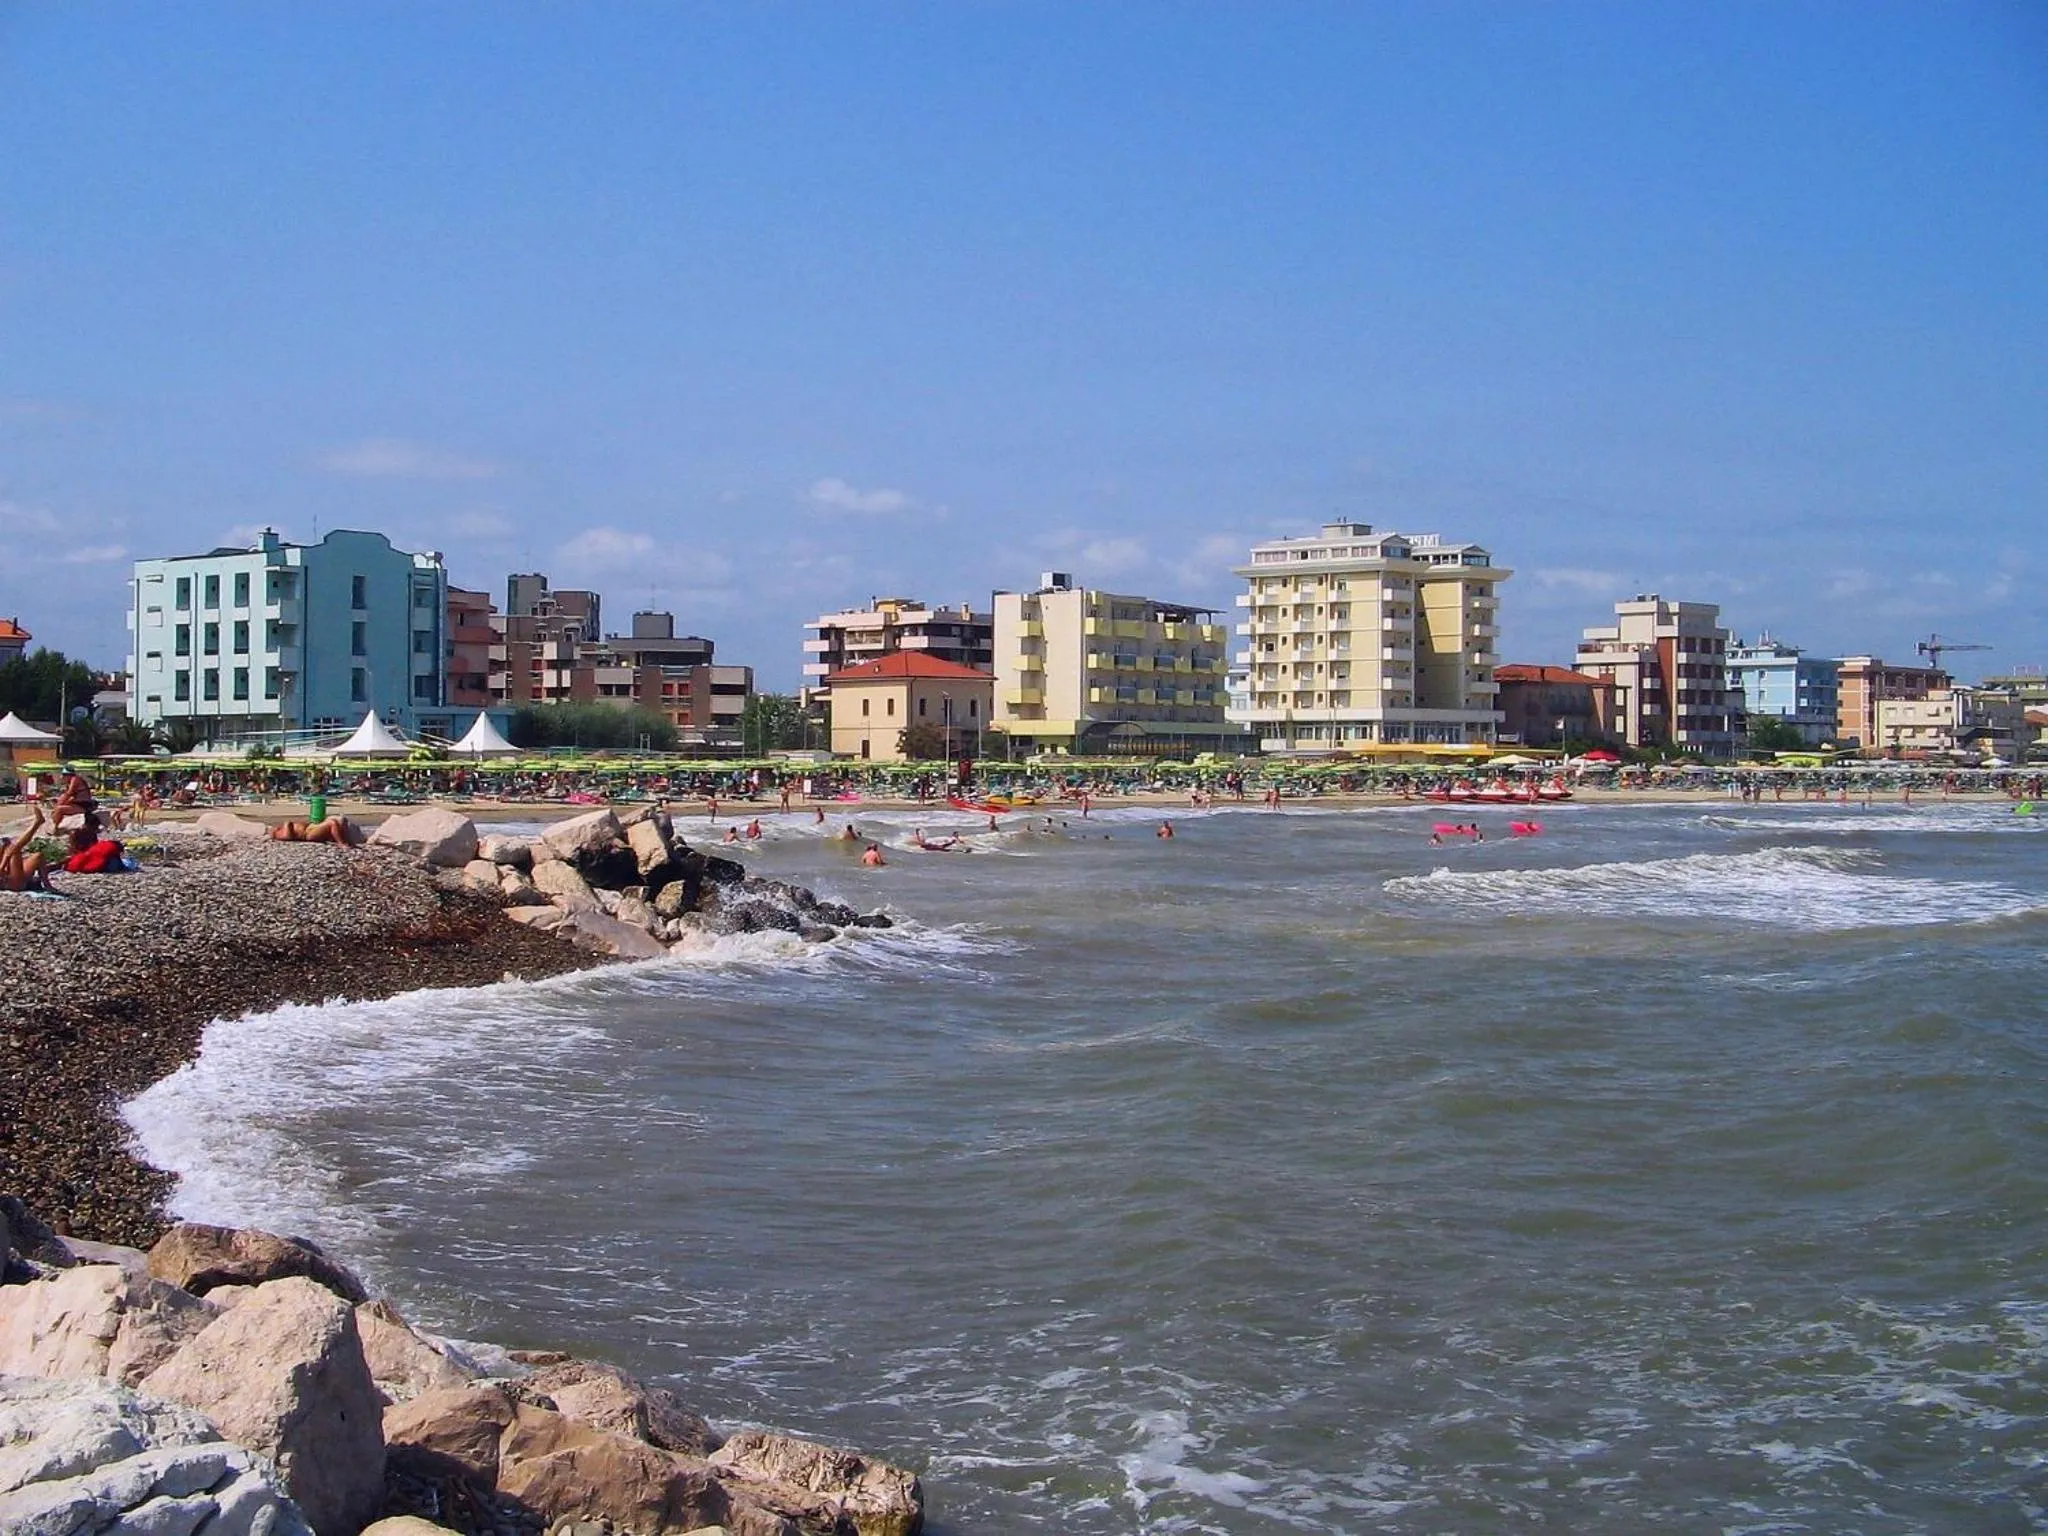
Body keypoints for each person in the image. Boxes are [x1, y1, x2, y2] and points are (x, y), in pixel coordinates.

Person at [0, 809, 53, 892]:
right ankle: (37, 823)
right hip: (13, 884)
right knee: (14, 849)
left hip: (13, 877)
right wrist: (5, 861)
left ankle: (47, 884)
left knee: (37, 856)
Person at [270, 815, 353, 844]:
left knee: (337, 822)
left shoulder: (280, 828)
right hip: (308, 834)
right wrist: (287, 825)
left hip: (311, 827)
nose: (274, 827)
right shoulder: (277, 833)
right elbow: (288, 837)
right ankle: (341, 843)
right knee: (332, 823)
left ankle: (339, 838)